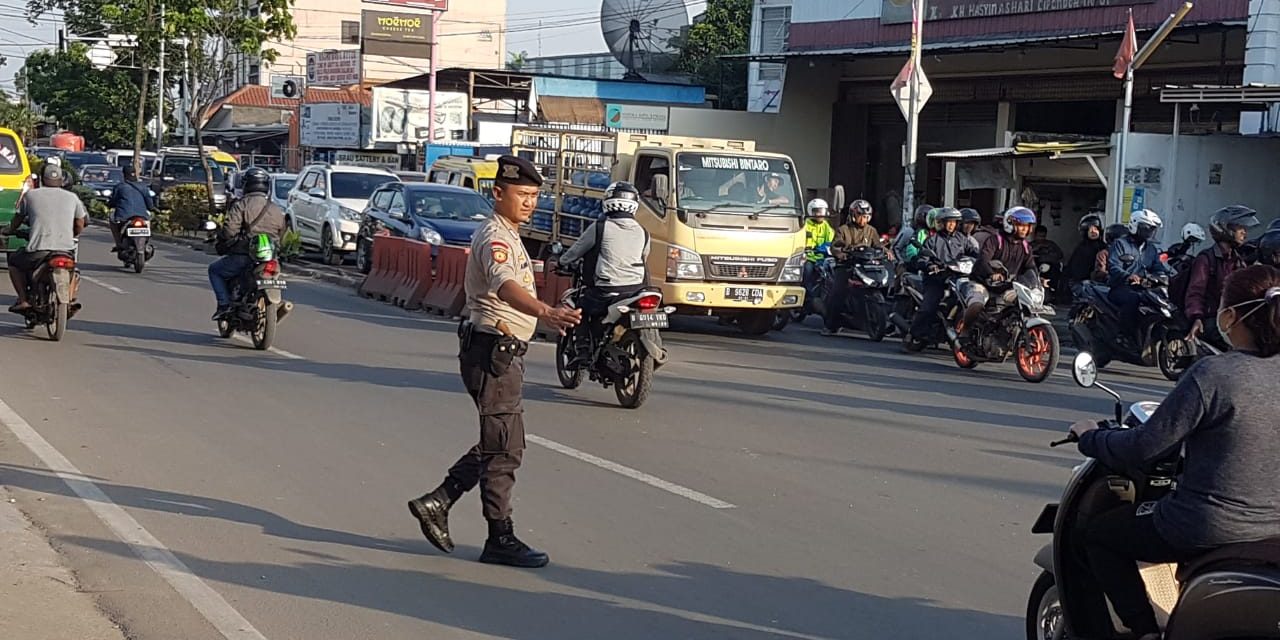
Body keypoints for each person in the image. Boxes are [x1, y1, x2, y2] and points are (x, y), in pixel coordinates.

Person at [1069, 263, 1280, 640]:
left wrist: (1090, 437)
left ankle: (1145, 631)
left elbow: (1144, 446)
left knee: (1099, 534)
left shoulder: (1214, 374)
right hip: (1273, 533)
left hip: (1205, 526)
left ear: (1230, 315)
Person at [407, 156, 581, 569]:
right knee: (505, 448)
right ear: (498, 194)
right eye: (522, 195)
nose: (530, 203)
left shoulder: (510, 233)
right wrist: (546, 312)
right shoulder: (495, 237)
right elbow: (504, 288)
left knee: (501, 441)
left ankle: (440, 500)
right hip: (492, 351)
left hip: (499, 349)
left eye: (535, 196)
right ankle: (499, 536)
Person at [558, 181, 650, 365]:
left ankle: (583, 351)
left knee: (579, 309)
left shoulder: (600, 227)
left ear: (608, 201)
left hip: (606, 290)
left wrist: (561, 261)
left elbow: (576, 251)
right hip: (635, 290)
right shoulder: (643, 232)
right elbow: (644, 257)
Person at [207, 167, 286, 320]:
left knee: (214, 271)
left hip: (243, 256)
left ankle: (224, 304)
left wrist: (224, 239)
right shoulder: (276, 208)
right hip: (270, 259)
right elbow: (282, 233)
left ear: (247, 185)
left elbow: (230, 230)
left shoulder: (241, 205)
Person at [4, 163, 86, 313]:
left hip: (38, 251)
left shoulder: (31, 195)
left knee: (14, 263)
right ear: (61, 180)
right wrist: (72, 233)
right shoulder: (72, 198)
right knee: (73, 271)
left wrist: (9, 229)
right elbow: (81, 222)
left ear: (41, 179)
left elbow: (18, 218)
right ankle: (70, 299)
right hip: (65, 250)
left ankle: (23, 300)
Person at [1184, 205, 1260, 346]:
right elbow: (1195, 292)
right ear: (1226, 228)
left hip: (1233, 318)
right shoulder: (1206, 259)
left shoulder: (1238, 260)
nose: (1244, 233)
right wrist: (1197, 317)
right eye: (1240, 228)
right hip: (1213, 320)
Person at [905, 207, 978, 351]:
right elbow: (922, 258)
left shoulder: (962, 239)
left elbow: (975, 253)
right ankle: (914, 334)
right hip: (937, 280)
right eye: (948, 222)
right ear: (941, 223)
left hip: (959, 279)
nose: (951, 225)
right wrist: (930, 265)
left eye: (954, 222)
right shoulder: (932, 240)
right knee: (928, 307)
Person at [963, 206, 1040, 338]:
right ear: (1009, 224)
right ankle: (965, 332)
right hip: (983, 283)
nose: (1025, 229)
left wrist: (1037, 280)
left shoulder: (1025, 247)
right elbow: (983, 261)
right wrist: (991, 274)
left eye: (1027, 226)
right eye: (1021, 225)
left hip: (1007, 285)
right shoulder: (995, 241)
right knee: (977, 304)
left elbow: (1030, 267)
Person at [1107, 209, 1174, 347]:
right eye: (1147, 228)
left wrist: (1170, 277)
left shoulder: (1151, 249)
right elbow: (1113, 266)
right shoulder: (1120, 244)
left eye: (1152, 229)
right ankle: (1123, 336)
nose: (1150, 232)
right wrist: (1128, 276)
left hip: (1144, 288)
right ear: (1136, 226)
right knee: (1133, 299)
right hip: (1121, 287)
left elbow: (1158, 268)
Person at [823, 199, 881, 336]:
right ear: (854, 215)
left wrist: (886, 252)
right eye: (861, 216)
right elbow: (835, 247)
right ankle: (830, 325)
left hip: (865, 266)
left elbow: (878, 246)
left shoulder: (871, 231)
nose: (864, 219)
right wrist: (842, 255)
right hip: (846, 266)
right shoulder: (843, 230)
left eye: (867, 217)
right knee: (838, 293)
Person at [107, 163, 155, 252]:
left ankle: (118, 244)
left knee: (112, 220)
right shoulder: (143, 186)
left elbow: (113, 200)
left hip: (124, 216)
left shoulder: (120, 187)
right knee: (148, 221)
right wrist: (152, 208)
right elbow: (149, 201)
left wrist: (110, 205)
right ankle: (146, 243)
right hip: (142, 215)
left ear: (124, 174)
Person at [1065, 213, 1105, 292]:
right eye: (1090, 229)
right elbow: (1076, 271)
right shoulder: (1081, 248)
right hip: (1082, 283)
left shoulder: (1104, 247)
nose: (1093, 231)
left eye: (1095, 228)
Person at [802, 198, 835, 288]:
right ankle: (808, 294)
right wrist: (807, 248)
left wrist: (824, 247)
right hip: (809, 258)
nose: (820, 214)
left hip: (824, 257)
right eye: (817, 211)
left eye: (823, 211)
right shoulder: (805, 225)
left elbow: (831, 241)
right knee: (807, 270)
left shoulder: (826, 226)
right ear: (810, 211)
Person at [1030, 224, 1064, 295]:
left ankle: (1052, 292)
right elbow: (1025, 255)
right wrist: (1034, 249)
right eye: (1039, 236)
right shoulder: (1030, 245)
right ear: (1035, 235)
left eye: (1043, 236)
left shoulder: (1050, 244)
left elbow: (1060, 255)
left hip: (1050, 268)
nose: (1041, 239)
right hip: (1035, 267)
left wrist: (1047, 255)